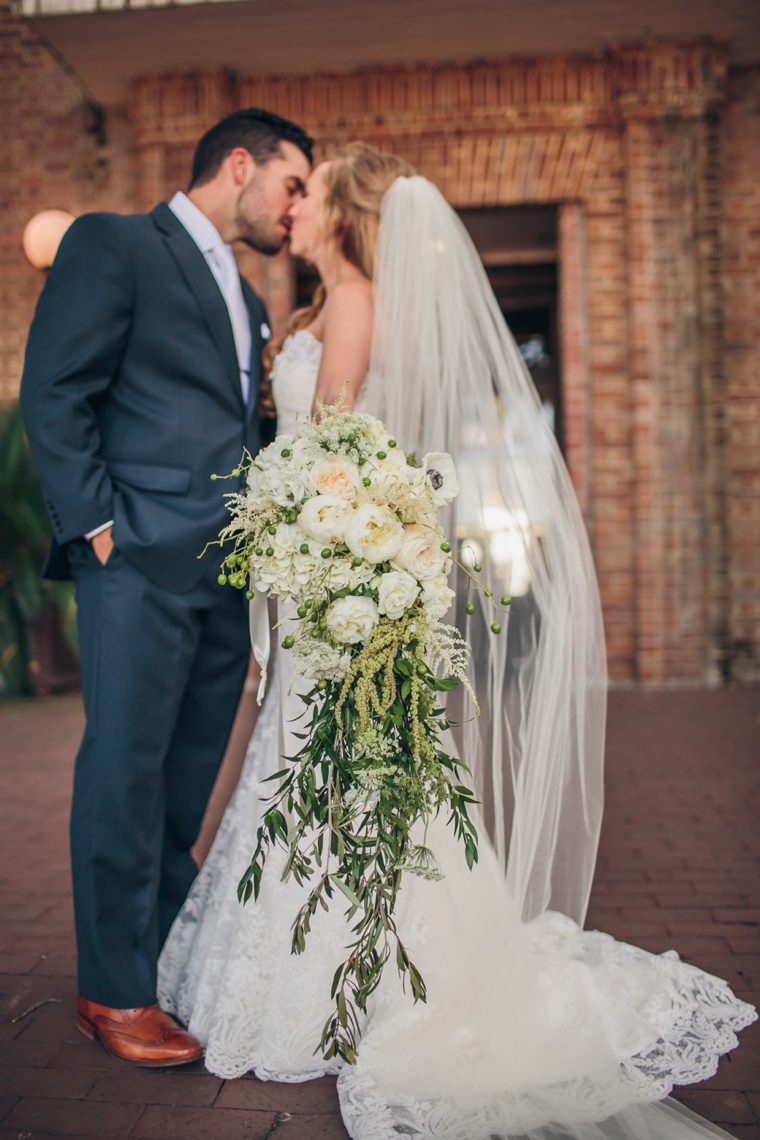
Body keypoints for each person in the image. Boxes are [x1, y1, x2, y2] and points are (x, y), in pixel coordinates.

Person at [158, 145, 755, 1137]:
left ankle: (349, 976)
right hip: (335, 577)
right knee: (347, 764)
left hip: (332, 578)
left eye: (310, 196)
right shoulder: (335, 305)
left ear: (343, 218)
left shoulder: (351, 303)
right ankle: (383, 947)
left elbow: (334, 453)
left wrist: (294, 533)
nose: (294, 210)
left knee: (332, 762)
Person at [20, 108, 313, 1067]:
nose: (296, 208)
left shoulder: (253, 296)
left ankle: (160, 959)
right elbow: (54, 388)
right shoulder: (117, 244)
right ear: (242, 164)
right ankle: (111, 991)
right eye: (293, 185)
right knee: (123, 772)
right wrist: (101, 531)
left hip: (222, 577)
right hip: (137, 565)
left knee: (184, 782)